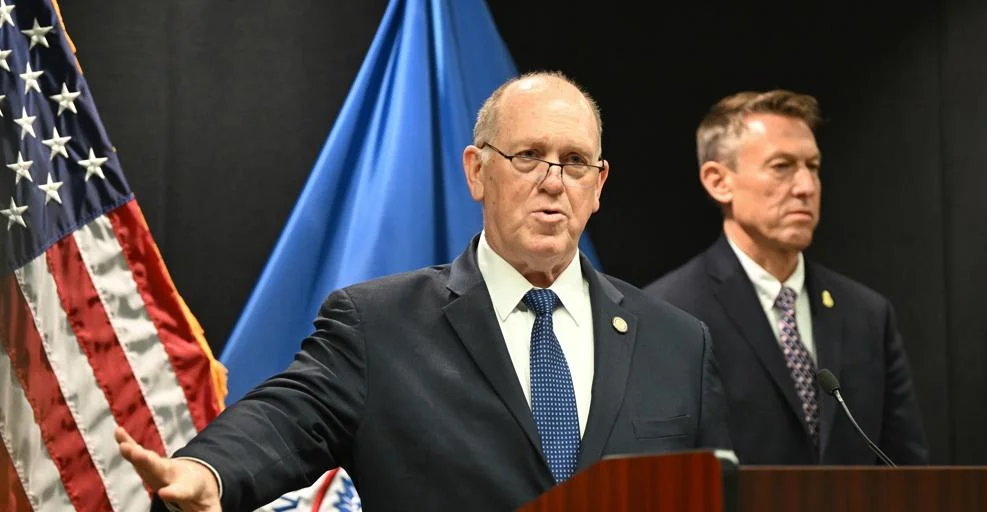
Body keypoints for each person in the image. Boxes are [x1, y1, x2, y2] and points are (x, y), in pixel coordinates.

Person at [117, 71, 731, 511]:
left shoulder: (677, 342)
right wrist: (210, 472)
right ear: (477, 171)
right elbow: (285, 419)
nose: (553, 181)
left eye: (574, 162)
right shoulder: (376, 325)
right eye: (528, 156)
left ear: (598, 185)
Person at [644, 90, 928, 465]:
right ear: (718, 181)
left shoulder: (868, 315)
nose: (806, 187)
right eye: (782, 166)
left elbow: (907, 471)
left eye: (813, 167)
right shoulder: (667, 313)